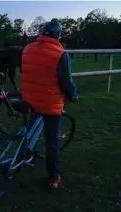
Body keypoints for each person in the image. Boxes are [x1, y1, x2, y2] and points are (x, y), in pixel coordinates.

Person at [21, 19, 78, 189]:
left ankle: (23, 155)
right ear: (58, 35)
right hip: (49, 103)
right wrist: (73, 96)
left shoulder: (28, 49)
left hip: (30, 98)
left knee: (29, 131)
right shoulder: (61, 54)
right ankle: (53, 178)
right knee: (52, 141)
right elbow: (66, 81)